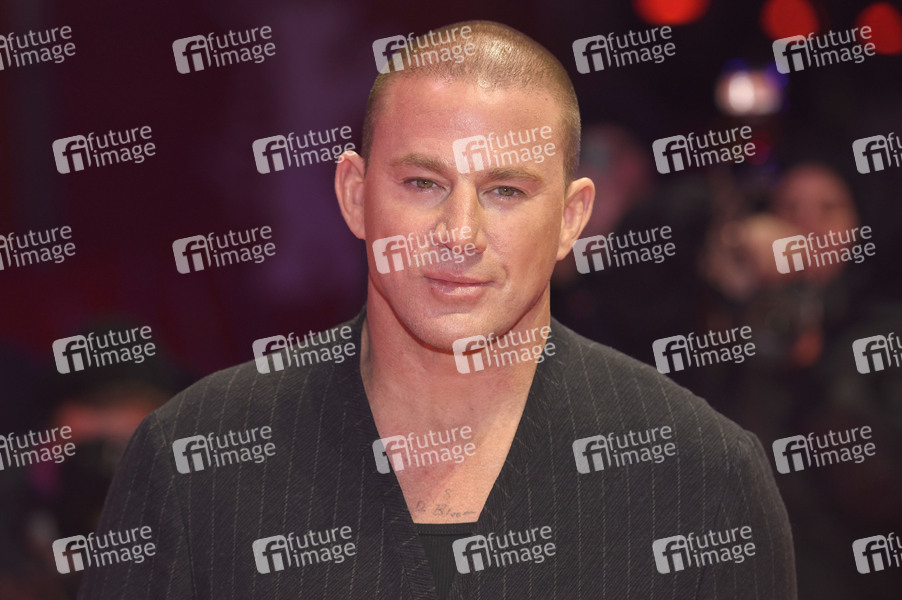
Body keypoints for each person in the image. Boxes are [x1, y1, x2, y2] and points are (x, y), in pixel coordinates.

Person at [78, 21, 796, 599]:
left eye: (506, 191)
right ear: (355, 195)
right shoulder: (192, 460)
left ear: (572, 218)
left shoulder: (703, 478)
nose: (460, 232)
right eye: (423, 182)